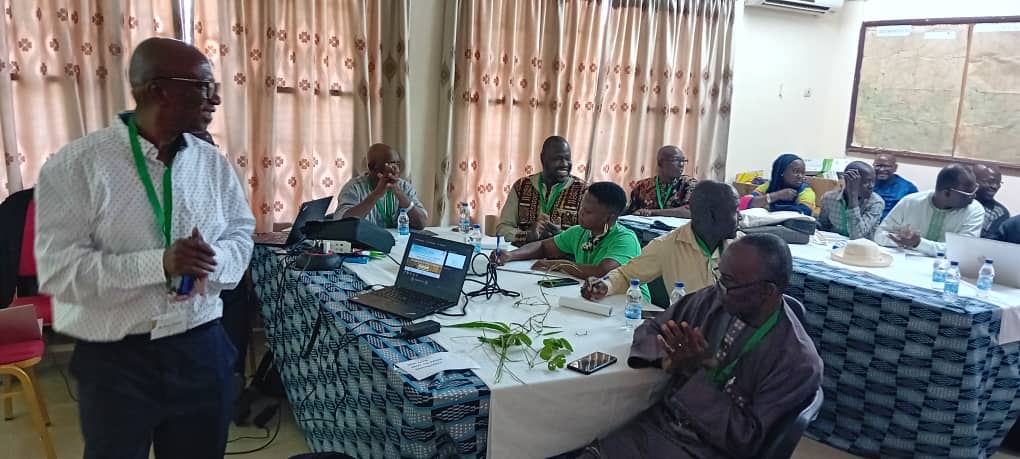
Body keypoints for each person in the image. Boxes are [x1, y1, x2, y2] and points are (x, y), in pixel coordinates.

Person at [33, 38, 255, 458]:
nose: (217, 98)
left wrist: (212, 261)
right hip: (116, 359)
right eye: (204, 86)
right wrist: (159, 264)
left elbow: (242, 234)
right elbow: (61, 271)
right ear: (158, 90)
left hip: (201, 345)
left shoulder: (213, 164)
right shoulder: (76, 166)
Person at [558, 234, 823, 458]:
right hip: (658, 427)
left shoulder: (796, 360)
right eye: (721, 275)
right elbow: (650, 329)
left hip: (706, 450)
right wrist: (669, 358)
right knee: (570, 435)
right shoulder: (714, 300)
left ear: (767, 291)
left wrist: (694, 375)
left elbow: (745, 441)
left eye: (730, 282)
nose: (719, 287)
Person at [581, 181, 739, 301]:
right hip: (687, 334)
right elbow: (625, 275)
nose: (741, 216)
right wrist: (604, 285)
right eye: (734, 210)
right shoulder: (668, 245)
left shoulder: (745, 248)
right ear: (709, 215)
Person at [490, 182, 648, 298]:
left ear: (609, 217)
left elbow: (604, 272)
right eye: (581, 208)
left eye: (588, 211)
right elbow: (543, 247)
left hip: (631, 306)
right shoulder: (580, 232)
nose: (581, 213)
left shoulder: (625, 239)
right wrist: (511, 255)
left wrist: (558, 264)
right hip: (597, 300)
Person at [874, 164, 984, 256]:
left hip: (944, 271)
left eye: (975, 190)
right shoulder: (911, 202)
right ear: (947, 193)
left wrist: (918, 244)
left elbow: (962, 251)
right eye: (968, 193)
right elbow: (879, 235)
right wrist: (900, 240)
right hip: (903, 264)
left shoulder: (974, 211)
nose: (974, 196)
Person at [497, 136, 586, 245]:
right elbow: (502, 229)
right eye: (557, 159)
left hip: (562, 261)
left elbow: (588, 237)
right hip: (521, 258)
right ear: (542, 159)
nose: (564, 164)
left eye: (568, 158)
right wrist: (527, 235)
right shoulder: (521, 186)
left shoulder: (583, 191)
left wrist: (562, 237)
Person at [335, 143, 428, 230]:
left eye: (397, 164)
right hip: (366, 244)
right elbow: (343, 225)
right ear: (372, 167)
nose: (395, 169)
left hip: (398, 244)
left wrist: (399, 193)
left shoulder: (404, 187)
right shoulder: (354, 188)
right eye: (390, 164)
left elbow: (421, 223)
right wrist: (376, 194)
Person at [817, 162, 885, 239]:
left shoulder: (876, 202)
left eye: (873, 181)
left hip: (862, 247)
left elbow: (856, 235)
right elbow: (823, 227)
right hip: (833, 244)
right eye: (866, 182)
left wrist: (853, 197)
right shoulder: (829, 198)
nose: (871, 186)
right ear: (848, 181)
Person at [626, 146, 698, 218]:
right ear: (660, 163)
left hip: (678, 229)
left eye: (683, 160)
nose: (681, 164)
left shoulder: (689, 184)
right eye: (676, 160)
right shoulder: (642, 186)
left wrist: (652, 212)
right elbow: (631, 213)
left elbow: (691, 212)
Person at [747, 153, 817, 216]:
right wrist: (777, 195)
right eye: (796, 171)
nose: (800, 176)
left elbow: (802, 213)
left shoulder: (806, 191)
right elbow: (748, 203)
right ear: (782, 171)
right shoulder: (769, 185)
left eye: (803, 173)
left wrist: (769, 207)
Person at [873, 153, 918, 220]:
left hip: (893, 227)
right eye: (878, 166)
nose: (881, 169)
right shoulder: (865, 184)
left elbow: (914, 213)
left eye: (887, 166)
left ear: (895, 168)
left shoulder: (908, 188)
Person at [972, 163, 1009, 239]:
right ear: (973, 180)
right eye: (990, 181)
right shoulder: (959, 201)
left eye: (998, 183)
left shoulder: (999, 212)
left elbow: (990, 244)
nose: (995, 186)